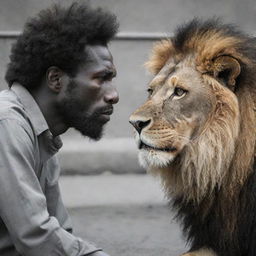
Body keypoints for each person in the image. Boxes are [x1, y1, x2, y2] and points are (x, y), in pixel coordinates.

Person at [0, 2, 119, 256]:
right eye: (102, 78)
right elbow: (36, 237)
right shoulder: (7, 124)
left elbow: (60, 232)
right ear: (56, 79)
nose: (113, 95)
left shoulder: (44, 136)